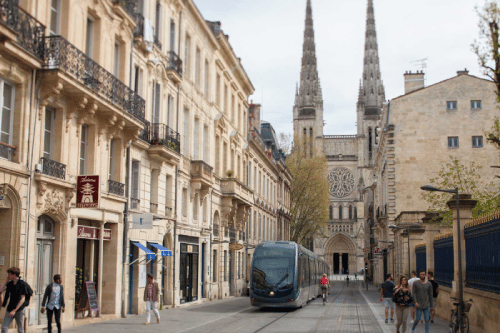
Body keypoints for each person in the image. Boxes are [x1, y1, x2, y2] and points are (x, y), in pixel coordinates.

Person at [0, 267, 30, 333]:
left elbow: (22, 299)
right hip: (10, 308)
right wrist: (6, 281)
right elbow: (0, 290)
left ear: (14, 274)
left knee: (20, 329)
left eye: (9, 274)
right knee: (4, 329)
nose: (8, 276)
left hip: (19, 310)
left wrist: (14, 310)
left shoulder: (22, 284)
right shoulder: (10, 284)